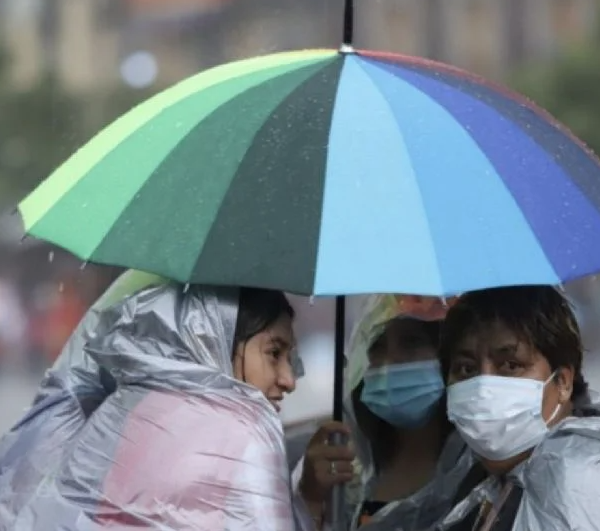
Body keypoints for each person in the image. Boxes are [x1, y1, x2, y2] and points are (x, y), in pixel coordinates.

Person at [0, 275, 311, 530]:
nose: (288, 378)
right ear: (216, 339)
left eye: (290, 358)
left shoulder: (120, 410)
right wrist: (310, 500)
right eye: (274, 353)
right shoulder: (246, 431)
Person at [296, 295, 473, 530]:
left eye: (411, 342)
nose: (389, 362)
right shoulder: (347, 463)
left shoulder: (478, 465)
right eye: (377, 346)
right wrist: (311, 497)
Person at [437, 285, 600, 531]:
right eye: (467, 369)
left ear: (563, 382)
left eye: (511, 365)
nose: (483, 388)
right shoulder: (473, 478)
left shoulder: (580, 481)